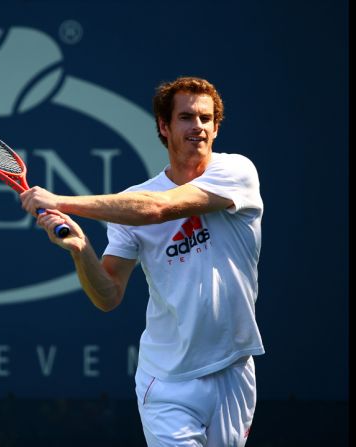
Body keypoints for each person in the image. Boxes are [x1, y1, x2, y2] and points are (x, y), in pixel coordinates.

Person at [20, 76, 264, 446]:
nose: (197, 127)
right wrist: (82, 248)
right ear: (164, 127)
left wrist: (61, 202)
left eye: (205, 118)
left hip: (233, 368)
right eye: (186, 117)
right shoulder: (131, 202)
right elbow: (108, 295)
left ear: (216, 127)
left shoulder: (237, 173)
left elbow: (158, 209)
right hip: (167, 381)